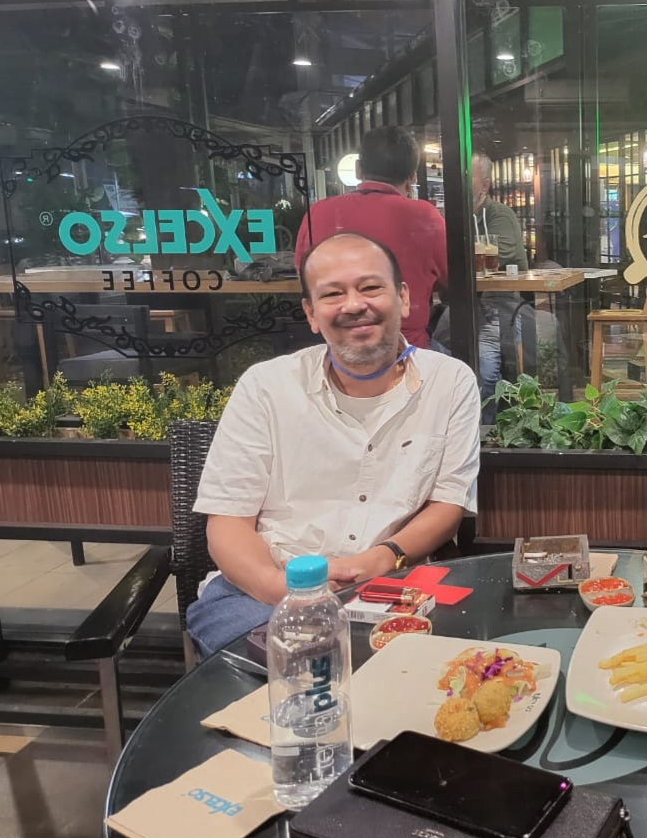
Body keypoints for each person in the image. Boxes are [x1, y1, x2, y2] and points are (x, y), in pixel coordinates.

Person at [186, 232, 481, 655]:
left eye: (370, 287)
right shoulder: (266, 386)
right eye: (332, 294)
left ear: (404, 298)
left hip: (395, 584)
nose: (354, 305)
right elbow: (227, 523)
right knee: (300, 666)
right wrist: (282, 589)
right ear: (311, 313)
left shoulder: (449, 382)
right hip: (263, 591)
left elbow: (447, 505)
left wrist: (383, 557)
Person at [294, 125, 448, 349]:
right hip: (406, 347)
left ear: (358, 169)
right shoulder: (425, 215)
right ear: (411, 178)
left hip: (336, 346)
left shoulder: (318, 212)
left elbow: (303, 276)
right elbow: (451, 278)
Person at [432, 152, 528, 421]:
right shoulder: (455, 218)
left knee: (485, 372)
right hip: (464, 303)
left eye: (466, 178)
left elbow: (503, 253)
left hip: (497, 303)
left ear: (484, 186)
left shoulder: (499, 214)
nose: (457, 184)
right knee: (433, 354)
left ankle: (485, 431)